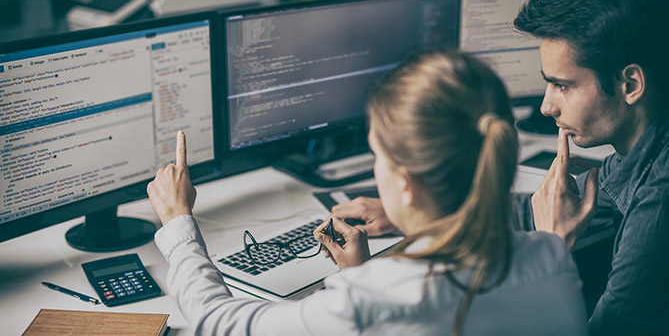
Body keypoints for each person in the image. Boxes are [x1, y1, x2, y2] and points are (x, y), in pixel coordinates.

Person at [147, 50, 587, 335]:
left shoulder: (377, 297)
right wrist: (357, 273)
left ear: (406, 184)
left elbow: (216, 323)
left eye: (378, 154)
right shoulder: (552, 255)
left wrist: (177, 221)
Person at [331, 0, 669, 335]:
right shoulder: (646, 149)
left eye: (563, 86)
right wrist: (416, 209)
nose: (547, 107)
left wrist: (553, 249)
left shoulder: (665, 202)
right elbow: (543, 208)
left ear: (631, 84)